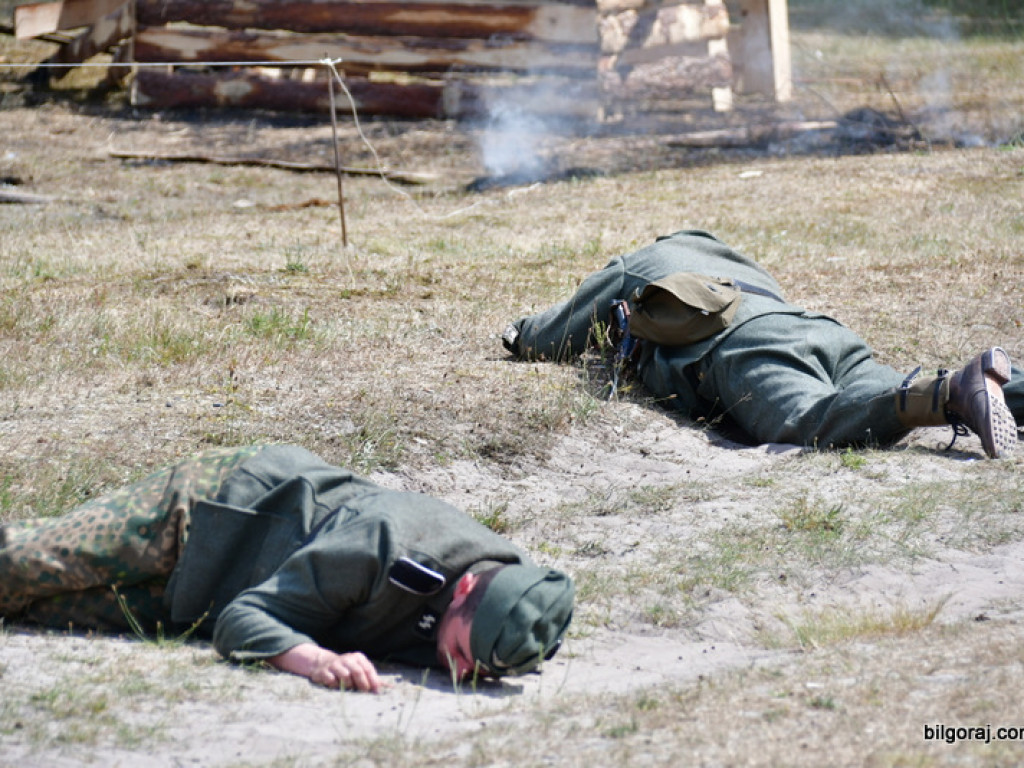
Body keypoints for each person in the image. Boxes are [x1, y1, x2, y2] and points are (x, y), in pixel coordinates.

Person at [0, 445, 575, 693]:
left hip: (214, 593)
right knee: (20, 569)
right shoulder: (388, 544)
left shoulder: (514, 591)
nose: (463, 671)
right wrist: (315, 660)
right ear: (464, 586)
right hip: (212, 512)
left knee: (38, 612)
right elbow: (243, 619)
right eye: (466, 655)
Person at [502, 229, 1021, 459]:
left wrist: (519, 332)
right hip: (819, 331)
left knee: (811, 421)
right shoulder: (731, 258)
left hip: (744, 348)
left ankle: (953, 391)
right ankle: (1007, 391)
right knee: (877, 393)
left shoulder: (636, 264)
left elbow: (549, 337)